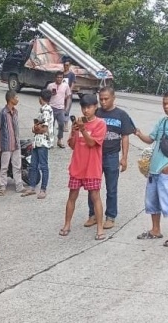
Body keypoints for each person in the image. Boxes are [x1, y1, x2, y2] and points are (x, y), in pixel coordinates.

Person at [134, 90, 168, 247]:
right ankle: (155, 230)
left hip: (166, 171)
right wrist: (138, 133)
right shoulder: (162, 122)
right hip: (153, 171)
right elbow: (150, 139)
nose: (166, 106)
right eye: (164, 103)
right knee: (152, 202)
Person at [84, 87, 136, 230]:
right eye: (101, 99)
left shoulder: (122, 115)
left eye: (106, 99)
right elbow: (85, 128)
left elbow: (125, 137)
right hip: (95, 155)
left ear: (114, 98)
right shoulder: (96, 113)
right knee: (92, 187)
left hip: (112, 156)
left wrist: (124, 157)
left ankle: (110, 216)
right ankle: (93, 214)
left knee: (111, 188)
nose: (103, 101)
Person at [59, 94, 107, 240]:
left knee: (95, 197)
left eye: (89, 107)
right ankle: (67, 224)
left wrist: (83, 130)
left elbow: (92, 143)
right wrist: (75, 131)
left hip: (92, 168)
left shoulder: (100, 124)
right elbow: (73, 145)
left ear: (95, 107)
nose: (86, 110)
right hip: (77, 166)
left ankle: (99, 228)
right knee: (72, 196)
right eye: (83, 107)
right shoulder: (78, 123)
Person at [22, 88, 54, 199]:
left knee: (43, 166)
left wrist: (35, 129)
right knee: (33, 165)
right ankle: (31, 187)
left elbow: (44, 128)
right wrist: (36, 128)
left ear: (40, 98)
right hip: (38, 142)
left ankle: (43, 189)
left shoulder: (46, 110)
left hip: (43, 142)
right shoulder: (44, 109)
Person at [0, 90, 25, 195]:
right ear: (11, 99)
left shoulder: (16, 112)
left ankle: (19, 186)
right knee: (4, 167)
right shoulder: (2, 114)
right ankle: (2, 187)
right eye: (16, 97)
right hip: (6, 145)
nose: (17, 99)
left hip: (16, 144)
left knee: (17, 166)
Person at [46, 71, 72, 148]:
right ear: (55, 78)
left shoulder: (65, 86)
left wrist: (67, 108)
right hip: (51, 108)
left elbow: (69, 97)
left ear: (62, 78)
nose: (59, 79)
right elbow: (46, 96)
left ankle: (59, 140)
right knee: (51, 125)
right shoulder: (50, 85)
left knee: (61, 125)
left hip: (61, 109)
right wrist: (50, 95)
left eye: (61, 77)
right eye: (58, 77)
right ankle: (50, 141)